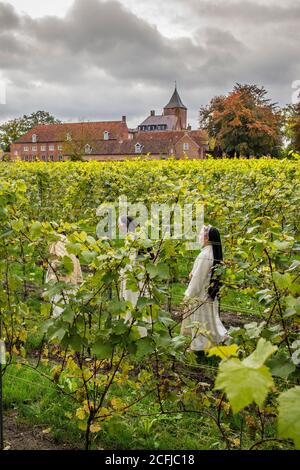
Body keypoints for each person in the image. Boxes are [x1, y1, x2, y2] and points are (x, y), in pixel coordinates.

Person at [181, 225, 228, 351]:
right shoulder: (211, 251)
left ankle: (199, 346)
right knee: (209, 318)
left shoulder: (205, 254)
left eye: (201, 234)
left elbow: (198, 277)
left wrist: (189, 294)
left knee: (201, 320)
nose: (199, 237)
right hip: (208, 291)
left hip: (201, 293)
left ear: (207, 238)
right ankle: (217, 338)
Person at [119, 216, 149, 337]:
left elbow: (129, 262)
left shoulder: (131, 237)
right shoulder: (139, 234)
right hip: (141, 273)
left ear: (125, 225)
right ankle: (141, 332)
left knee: (131, 303)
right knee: (139, 303)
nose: (118, 227)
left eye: (119, 224)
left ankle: (132, 333)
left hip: (132, 277)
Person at [45, 233, 83, 317]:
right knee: (71, 314)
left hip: (61, 284)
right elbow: (76, 261)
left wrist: (52, 268)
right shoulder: (68, 242)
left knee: (60, 315)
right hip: (71, 283)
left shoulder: (58, 241)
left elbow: (61, 262)